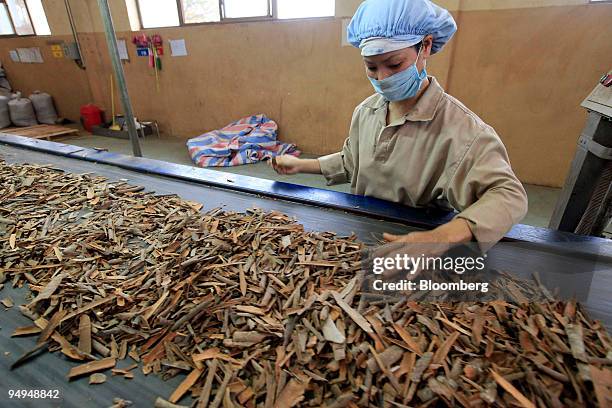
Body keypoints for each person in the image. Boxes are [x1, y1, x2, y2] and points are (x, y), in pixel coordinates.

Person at [271, 0, 527, 256]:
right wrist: (301, 165)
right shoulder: (366, 112)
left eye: (394, 65)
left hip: (415, 249)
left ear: (425, 46)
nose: (382, 78)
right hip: (359, 237)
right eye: (371, 67)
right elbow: (354, 162)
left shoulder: (463, 131)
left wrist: (444, 236)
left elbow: (508, 195)